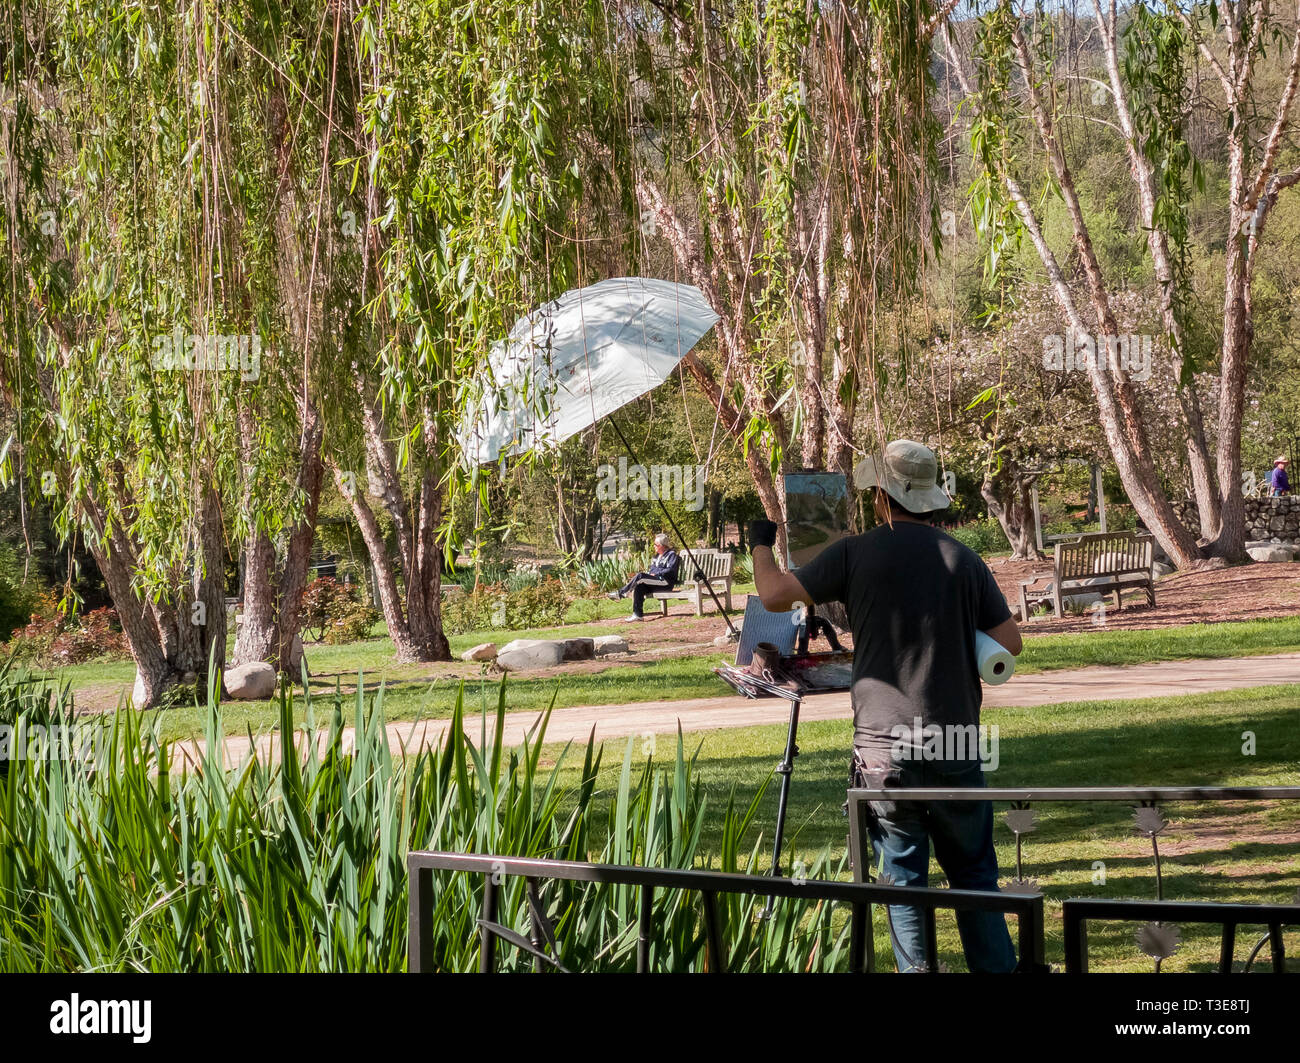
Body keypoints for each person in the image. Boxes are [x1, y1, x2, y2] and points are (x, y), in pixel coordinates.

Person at [748, 439, 1024, 973]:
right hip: (957, 745)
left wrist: (762, 543)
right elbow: (1009, 641)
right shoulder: (962, 558)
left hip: (884, 749)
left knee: (902, 883)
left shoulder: (855, 553)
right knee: (974, 878)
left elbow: (774, 594)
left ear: (882, 496)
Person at [608, 533, 681, 622]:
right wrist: (653, 574)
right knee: (639, 587)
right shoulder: (657, 556)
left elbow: (670, 570)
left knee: (640, 576)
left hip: (665, 581)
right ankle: (637, 615)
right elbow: (652, 569)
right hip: (657, 581)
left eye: (656, 545)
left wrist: (657, 573)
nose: (654, 546)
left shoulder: (671, 555)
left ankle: (621, 593)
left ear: (662, 546)